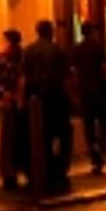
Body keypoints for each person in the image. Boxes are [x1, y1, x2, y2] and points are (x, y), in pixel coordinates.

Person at [20, 17, 73, 190]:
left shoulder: (28, 51)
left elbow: (23, 78)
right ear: (51, 32)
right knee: (61, 135)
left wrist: (22, 101)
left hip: (34, 99)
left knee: (37, 137)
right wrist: (71, 98)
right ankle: (59, 172)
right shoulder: (58, 51)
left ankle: (39, 171)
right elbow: (67, 77)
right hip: (55, 97)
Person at [0, 27, 27, 187]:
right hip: (22, 104)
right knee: (20, 137)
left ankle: (9, 172)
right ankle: (21, 167)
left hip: (7, 102)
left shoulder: (2, 58)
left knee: (7, 139)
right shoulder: (23, 57)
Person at [70, 18, 106, 174]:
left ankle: (94, 152)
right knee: (105, 122)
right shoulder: (98, 47)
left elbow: (74, 72)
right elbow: (105, 68)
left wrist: (75, 91)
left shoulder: (76, 50)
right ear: (92, 32)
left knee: (88, 124)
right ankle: (99, 145)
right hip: (100, 90)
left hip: (85, 91)